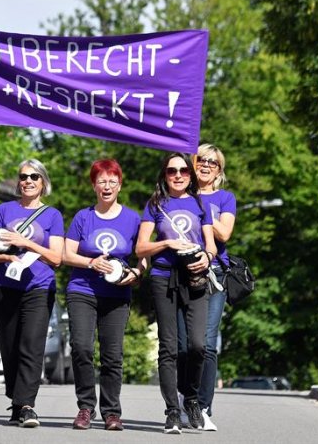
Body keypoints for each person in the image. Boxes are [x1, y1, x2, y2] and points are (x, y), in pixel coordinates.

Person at [63, 159, 147, 431]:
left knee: (112, 355)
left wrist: (138, 273)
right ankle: (85, 408)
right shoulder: (83, 217)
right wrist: (90, 263)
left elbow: (142, 256)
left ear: (120, 185)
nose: (107, 186)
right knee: (82, 348)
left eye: (112, 181)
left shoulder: (133, 218)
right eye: (102, 181)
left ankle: (111, 412)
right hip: (82, 291)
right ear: (94, 186)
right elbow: (66, 254)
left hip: (116, 296)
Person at [135, 152, 217, 434]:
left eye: (183, 170)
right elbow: (141, 248)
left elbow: (211, 245)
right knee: (168, 347)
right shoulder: (155, 204)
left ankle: (191, 398)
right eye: (172, 171)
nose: (178, 175)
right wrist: (166, 243)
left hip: (195, 277)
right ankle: (172, 410)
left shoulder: (199, 203)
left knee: (197, 345)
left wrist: (207, 257)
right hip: (162, 277)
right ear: (165, 175)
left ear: (190, 175)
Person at [0, 159, 64, 428]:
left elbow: (56, 257)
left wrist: (25, 242)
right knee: (10, 347)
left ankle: (27, 405)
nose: (28, 181)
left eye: (34, 177)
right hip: (5, 287)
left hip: (38, 287)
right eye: (23, 177)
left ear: (43, 182)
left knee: (31, 345)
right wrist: (3, 256)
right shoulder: (4, 210)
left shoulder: (52, 215)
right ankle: (16, 401)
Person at [176, 144, 236, 431]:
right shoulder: (178, 193)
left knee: (207, 344)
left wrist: (199, 211)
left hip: (213, 275)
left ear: (219, 169)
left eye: (213, 162)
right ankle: (184, 396)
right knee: (183, 344)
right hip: (181, 272)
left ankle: (202, 406)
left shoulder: (225, 198)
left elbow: (224, 233)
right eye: (202, 160)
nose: (207, 164)